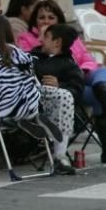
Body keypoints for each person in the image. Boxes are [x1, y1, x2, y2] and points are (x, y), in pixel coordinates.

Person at [17, 0, 106, 164]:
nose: (46, 21)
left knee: (102, 72)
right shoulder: (26, 39)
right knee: (98, 94)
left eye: (51, 17)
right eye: (42, 17)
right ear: (35, 20)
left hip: (77, 78)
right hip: (57, 88)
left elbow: (86, 58)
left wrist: (80, 72)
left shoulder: (70, 37)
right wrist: (42, 40)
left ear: (58, 20)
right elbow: (29, 64)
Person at [0, 17, 72, 173]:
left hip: (0, 105)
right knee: (64, 96)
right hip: (29, 100)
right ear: (8, 32)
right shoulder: (18, 52)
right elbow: (31, 78)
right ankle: (60, 156)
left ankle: (23, 119)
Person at [28, 24, 85, 172]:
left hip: (53, 108)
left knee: (64, 96)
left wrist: (60, 85)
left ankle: (60, 156)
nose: (41, 40)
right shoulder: (34, 57)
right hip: (29, 99)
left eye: (46, 37)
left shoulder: (68, 64)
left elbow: (77, 89)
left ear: (57, 42)